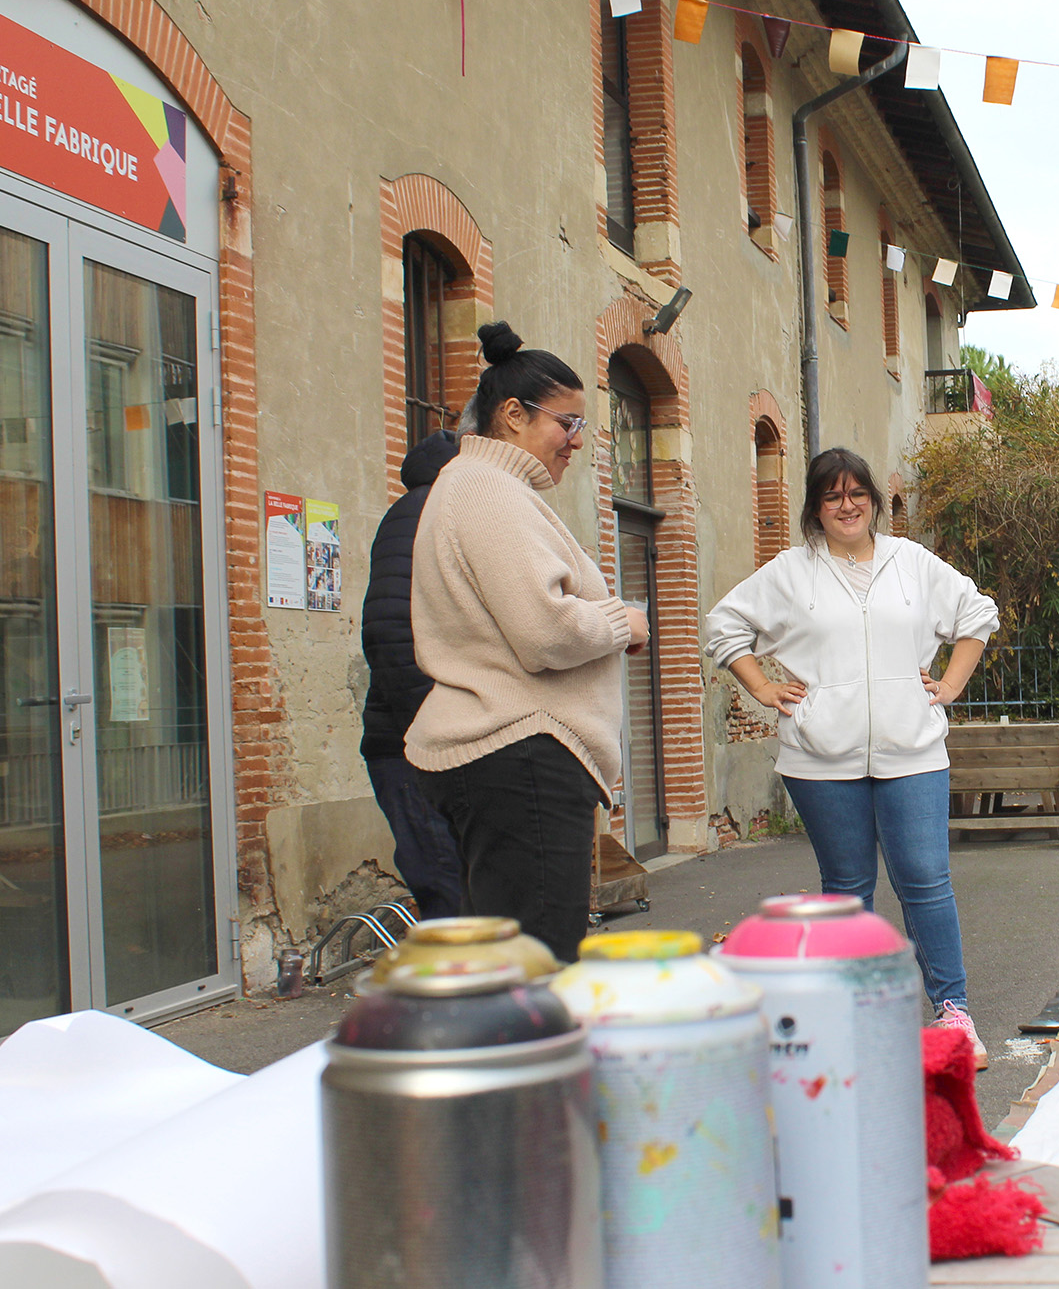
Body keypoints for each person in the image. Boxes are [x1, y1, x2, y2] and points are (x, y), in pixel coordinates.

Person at [705, 447, 999, 1065]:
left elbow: (978, 614)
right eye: (832, 496)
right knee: (846, 890)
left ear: (873, 501)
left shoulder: (911, 562)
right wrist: (761, 688)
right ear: (815, 507)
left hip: (913, 751)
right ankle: (851, 1020)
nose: (847, 505)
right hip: (820, 759)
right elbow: (724, 625)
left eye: (857, 493)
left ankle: (953, 1012)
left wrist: (949, 685)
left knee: (925, 880)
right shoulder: (790, 572)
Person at [406, 321, 648, 962]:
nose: (577, 442)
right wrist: (622, 622)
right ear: (514, 415)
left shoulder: (483, 487)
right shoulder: (487, 490)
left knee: (504, 965)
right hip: (522, 755)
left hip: (511, 755)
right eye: (568, 423)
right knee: (538, 965)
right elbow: (544, 632)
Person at [360, 428, 464, 920]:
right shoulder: (425, 512)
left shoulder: (444, 508)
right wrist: (438, 729)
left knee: (464, 893)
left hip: (436, 742)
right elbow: (391, 630)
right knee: (451, 892)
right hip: (417, 748)